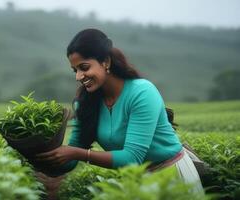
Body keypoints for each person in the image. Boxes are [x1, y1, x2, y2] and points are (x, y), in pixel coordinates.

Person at [35, 28, 203, 198]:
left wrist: (77, 153)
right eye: (75, 70)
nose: (78, 76)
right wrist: (45, 157)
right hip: (137, 182)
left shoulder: (142, 92)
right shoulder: (85, 103)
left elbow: (131, 158)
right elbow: (71, 156)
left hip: (173, 175)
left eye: (84, 67)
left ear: (105, 62)